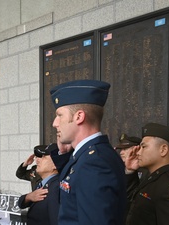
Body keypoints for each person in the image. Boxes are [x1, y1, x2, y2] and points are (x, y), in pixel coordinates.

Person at [50, 79, 126, 225]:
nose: (55, 123)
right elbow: (73, 189)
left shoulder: (94, 163)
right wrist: (65, 154)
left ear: (79, 117)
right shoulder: (90, 155)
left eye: (60, 115)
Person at [125, 123, 169, 225]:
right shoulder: (153, 178)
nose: (138, 153)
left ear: (163, 150)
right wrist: (130, 171)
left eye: (144, 147)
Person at [18, 143, 71, 225]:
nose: (37, 160)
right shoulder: (44, 184)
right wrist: (28, 197)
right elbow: (21, 203)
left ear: (55, 164)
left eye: (43, 157)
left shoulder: (55, 188)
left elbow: (55, 221)